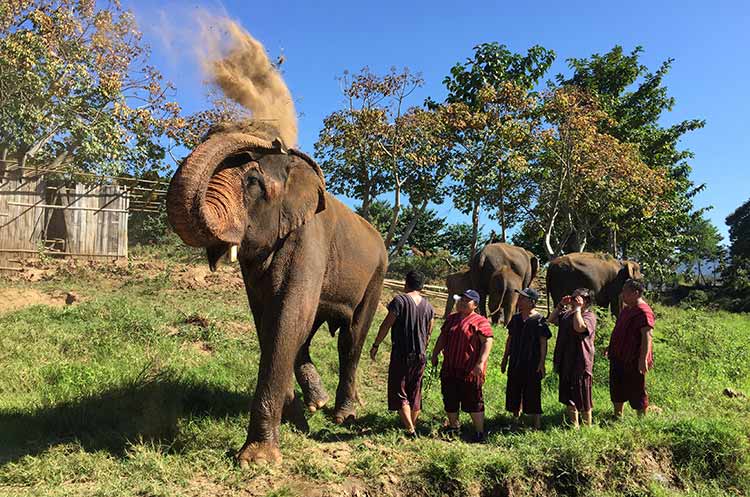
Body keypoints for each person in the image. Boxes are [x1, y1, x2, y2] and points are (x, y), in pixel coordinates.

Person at [371, 270, 435, 437]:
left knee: (399, 390)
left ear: (406, 283)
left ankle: (410, 430)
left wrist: (376, 344)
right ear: (422, 286)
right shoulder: (429, 306)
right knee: (415, 392)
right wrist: (423, 347)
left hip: (402, 353)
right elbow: (429, 331)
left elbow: (386, 325)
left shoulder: (400, 301)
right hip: (420, 354)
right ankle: (411, 425)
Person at [431, 289, 494, 442]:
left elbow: (487, 341)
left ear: (475, 305)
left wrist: (480, 362)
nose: (462, 303)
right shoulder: (452, 319)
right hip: (450, 367)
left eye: (467, 301)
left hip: (470, 370)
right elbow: (443, 337)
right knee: (450, 398)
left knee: (474, 400)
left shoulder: (480, 321)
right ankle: (454, 427)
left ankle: (479, 432)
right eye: (461, 300)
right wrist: (435, 353)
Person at [500, 288, 551, 430]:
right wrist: (505, 359)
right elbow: (509, 340)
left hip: (532, 363)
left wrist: (541, 363)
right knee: (514, 390)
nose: (519, 300)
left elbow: (543, 343)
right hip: (515, 361)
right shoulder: (516, 319)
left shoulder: (539, 320)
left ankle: (537, 424)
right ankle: (516, 420)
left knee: (533, 391)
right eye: (520, 298)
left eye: (523, 298)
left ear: (532, 302)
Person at [605, 279, 655, 418]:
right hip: (618, 356)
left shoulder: (644, 312)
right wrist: (611, 346)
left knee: (637, 388)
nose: (622, 295)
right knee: (617, 387)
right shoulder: (627, 309)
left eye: (625, 292)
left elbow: (647, 336)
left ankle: (641, 419)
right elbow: (620, 330)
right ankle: (617, 416)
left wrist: (643, 359)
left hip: (633, 358)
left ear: (636, 293)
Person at [549, 288, 597, 428]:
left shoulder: (589, 316)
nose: (574, 300)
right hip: (565, 359)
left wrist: (577, 309)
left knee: (583, 394)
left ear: (586, 301)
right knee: (568, 394)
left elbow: (579, 328)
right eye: (574, 297)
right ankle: (573, 425)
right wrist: (560, 305)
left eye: (578, 298)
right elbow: (551, 320)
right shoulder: (567, 314)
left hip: (581, 360)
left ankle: (587, 426)